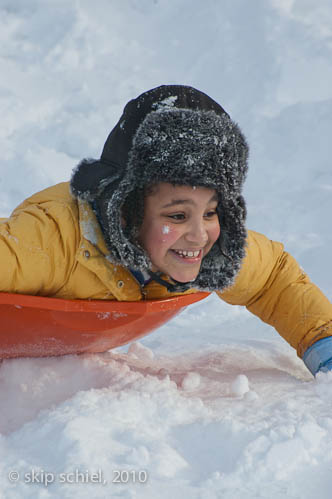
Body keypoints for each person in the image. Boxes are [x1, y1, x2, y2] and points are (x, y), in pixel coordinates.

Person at [0, 85, 331, 375]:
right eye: (177, 216)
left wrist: (324, 344)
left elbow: (273, 277)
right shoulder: (52, 241)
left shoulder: (213, 252)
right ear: (126, 211)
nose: (199, 235)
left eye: (211, 211)